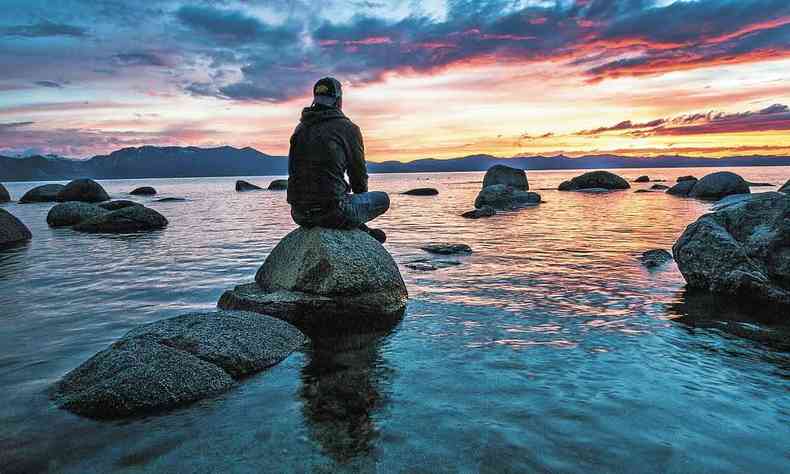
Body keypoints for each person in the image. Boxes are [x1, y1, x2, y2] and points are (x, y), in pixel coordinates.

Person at [287, 77, 389, 243]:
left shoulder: (300, 129)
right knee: (383, 199)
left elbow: (293, 170)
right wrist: (357, 205)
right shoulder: (347, 128)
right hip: (333, 212)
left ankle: (358, 226)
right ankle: (360, 228)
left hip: (298, 214)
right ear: (338, 101)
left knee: (339, 197)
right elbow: (358, 177)